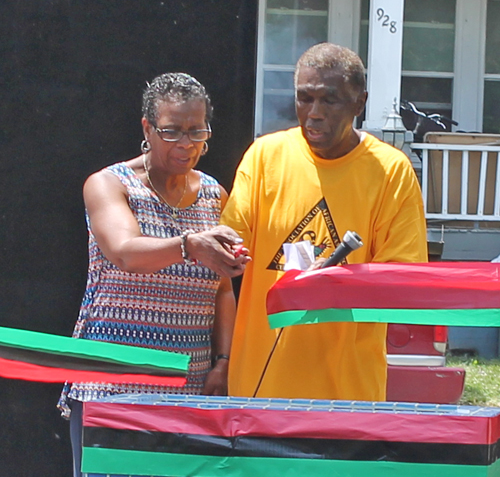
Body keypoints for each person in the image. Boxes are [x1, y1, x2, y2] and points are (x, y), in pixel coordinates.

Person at [58, 72, 248, 477]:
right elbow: (124, 252)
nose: (186, 144)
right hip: (113, 387)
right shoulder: (111, 184)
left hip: (189, 388)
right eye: (171, 131)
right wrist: (189, 245)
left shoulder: (214, 195)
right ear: (147, 128)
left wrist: (224, 360)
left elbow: (222, 290)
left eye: (197, 131)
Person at [220, 43, 427, 401]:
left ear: (359, 103)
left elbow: (404, 282)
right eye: (304, 98)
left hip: (349, 394)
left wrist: (332, 280)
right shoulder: (265, 156)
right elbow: (231, 246)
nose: (313, 113)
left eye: (329, 101)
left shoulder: (390, 171)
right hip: (261, 387)